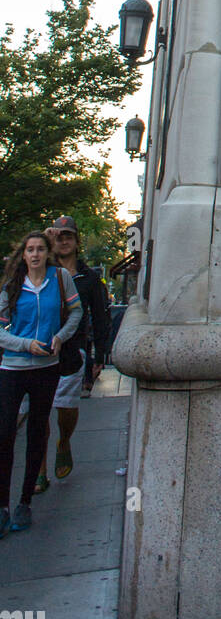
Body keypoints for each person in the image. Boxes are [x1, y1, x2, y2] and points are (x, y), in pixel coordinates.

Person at [0, 232, 82, 535]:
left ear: (47, 253)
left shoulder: (59, 279)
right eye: (30, 250)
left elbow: (76, 312)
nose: (35, 254)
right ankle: (2, 506)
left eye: (40, 249)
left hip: (47, 367)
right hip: (13, 366)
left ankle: (24, 503)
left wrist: (60, 337)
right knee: (5, 432)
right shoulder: (12, 286)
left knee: (37, 431)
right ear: (23, 254)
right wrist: (24, 345)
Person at [33, 217, 109, 491]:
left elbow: (100, 317)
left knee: (65, 407)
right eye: (59, 236)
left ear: (77, 241)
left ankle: (64, 440)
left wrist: (100, 355)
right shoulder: (43, 271)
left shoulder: (89, 278)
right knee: (38, 414)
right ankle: (39, 473)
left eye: (68, 236)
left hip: (72, 352)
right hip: (40, 349)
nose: (63, 241)